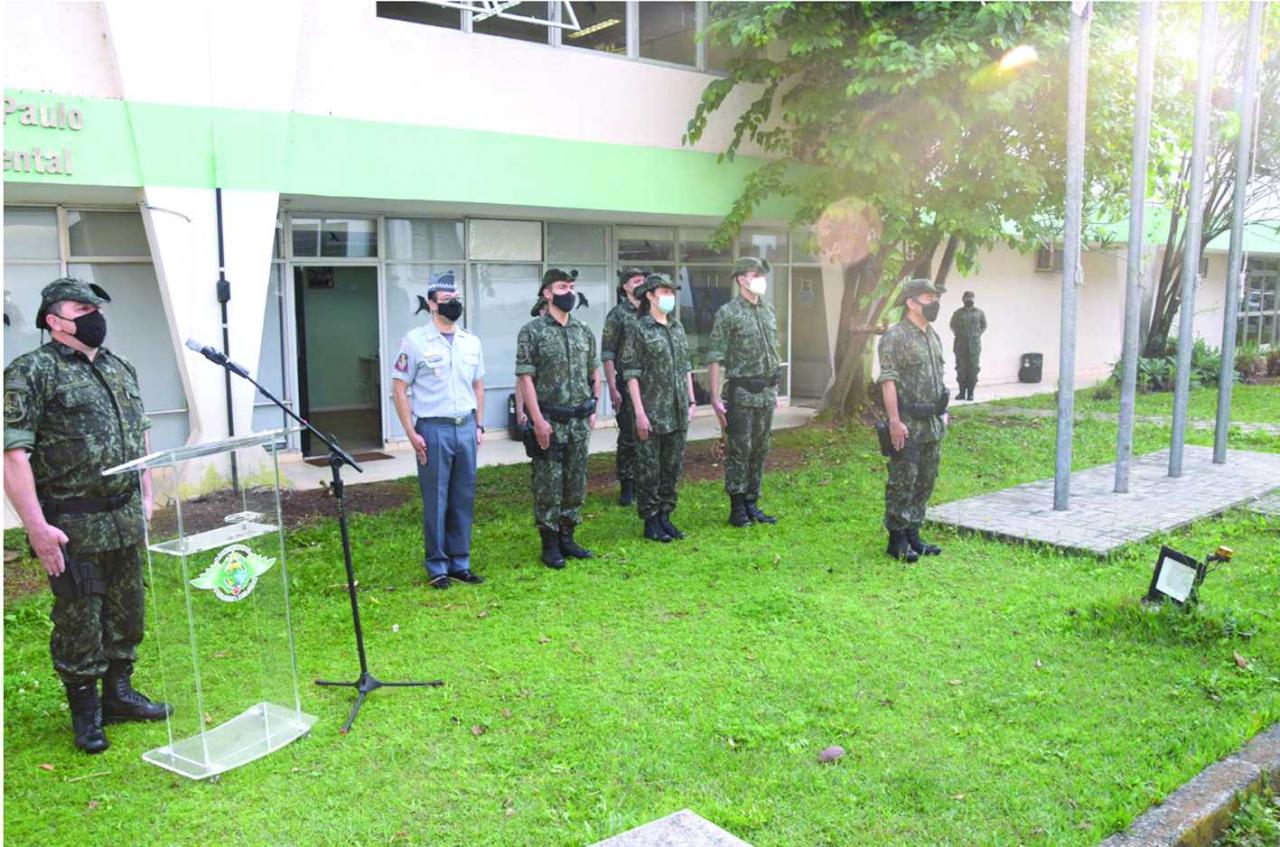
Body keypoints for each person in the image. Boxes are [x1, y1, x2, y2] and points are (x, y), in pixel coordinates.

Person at [3, 278, 171, 754]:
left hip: (122, 518)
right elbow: (13, 455)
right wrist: (36, 529)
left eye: (96, 306)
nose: (95, 315)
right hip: (71, 524)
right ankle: (86, 714)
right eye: (82, 307)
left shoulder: (120, 368)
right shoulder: (31, 372)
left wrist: (146, 494)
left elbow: (140, 435)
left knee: (127, 613)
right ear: (55, 320)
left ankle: (118, 696)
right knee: (79, 621)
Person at [392, 271, 486, 590]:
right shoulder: (415, 341)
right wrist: (410, 432)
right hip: (433, 429)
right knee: (436, 499)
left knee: (463, 497)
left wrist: (479, 425)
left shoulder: (470, 341)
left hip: (465, 427)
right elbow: (399, 388)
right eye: (447, 301)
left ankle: (460, 562)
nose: (453, 305)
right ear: (432, 304)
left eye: (457, 299)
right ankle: (437, 565)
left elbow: (478, 384)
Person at [515, 268, 602, 568]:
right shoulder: (532, 331)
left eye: (572, 286)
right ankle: (549, 543)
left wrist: (594, 407)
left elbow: (594, 371)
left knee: (575, 482)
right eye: (563, 286)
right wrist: (536, 420)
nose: (570, 292)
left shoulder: (583, 330)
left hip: (579, 421)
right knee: (548, 484)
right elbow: (526, 379)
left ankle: (568, 537)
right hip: (550, 420)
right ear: (547, 293)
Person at [619, 273, 696, 542]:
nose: (669, 297)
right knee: (649, 469)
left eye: (672, 292)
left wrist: (692, 399)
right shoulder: (638, 329)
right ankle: (651, 520)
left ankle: (666, 516)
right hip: (651, 412)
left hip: (677, 411)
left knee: (671, 468)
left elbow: (685, 366)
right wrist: (639, 412)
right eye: (664, 291)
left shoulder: (676, 327)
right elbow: (631, 374)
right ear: (650, 296)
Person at [878, 278, 950, 562]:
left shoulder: (932, 335)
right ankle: (897, 539)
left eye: (935, 298)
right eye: (929, 298)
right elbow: (888, 382)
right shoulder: (895, 337)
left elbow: (937, 377)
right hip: (907, 421)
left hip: (932, 421)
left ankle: (914, 534)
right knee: (902, 480)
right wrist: (894, 421)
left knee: (925, 479)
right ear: (910, 302)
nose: (934, 303)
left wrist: (943, 412)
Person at [707, 256, 781, 527]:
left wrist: (776, 388)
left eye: (762, 274)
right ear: (741, 279)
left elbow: (773, 352)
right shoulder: (728, 313)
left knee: (761, 448)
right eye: (755, 274)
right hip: (742, 393)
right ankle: (737, 506)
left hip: (766, 390)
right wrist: (714, 397)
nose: (760, 278)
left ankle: (752, 501)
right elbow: (715, 356)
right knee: (740, 448)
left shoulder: (767, 309)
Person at [601, 267, 647, 506]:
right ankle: (627, 485)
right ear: (625, 286)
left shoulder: (653, 311)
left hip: (652, 386)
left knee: (650, 437)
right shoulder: (617, 315)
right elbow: (607, 353)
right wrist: (612, 387)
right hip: (626, 384)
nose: (641, 283)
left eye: (643, 280)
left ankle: (646, 482)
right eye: (636, 280)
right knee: (629, 436)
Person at [949, 290, 988, 401]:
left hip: (974, 346)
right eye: (967, 298)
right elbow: (952, 325)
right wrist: (959, 334)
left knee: (973, 369)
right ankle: (961, 393)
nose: (969, 300)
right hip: (960, 345)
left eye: (971, 298)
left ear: (974, 299)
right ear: (963, 299)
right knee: (961, 369)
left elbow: (984, 325)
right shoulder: (958, 313)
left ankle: (970, 393)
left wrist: (976, 335)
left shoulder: (979, 313)